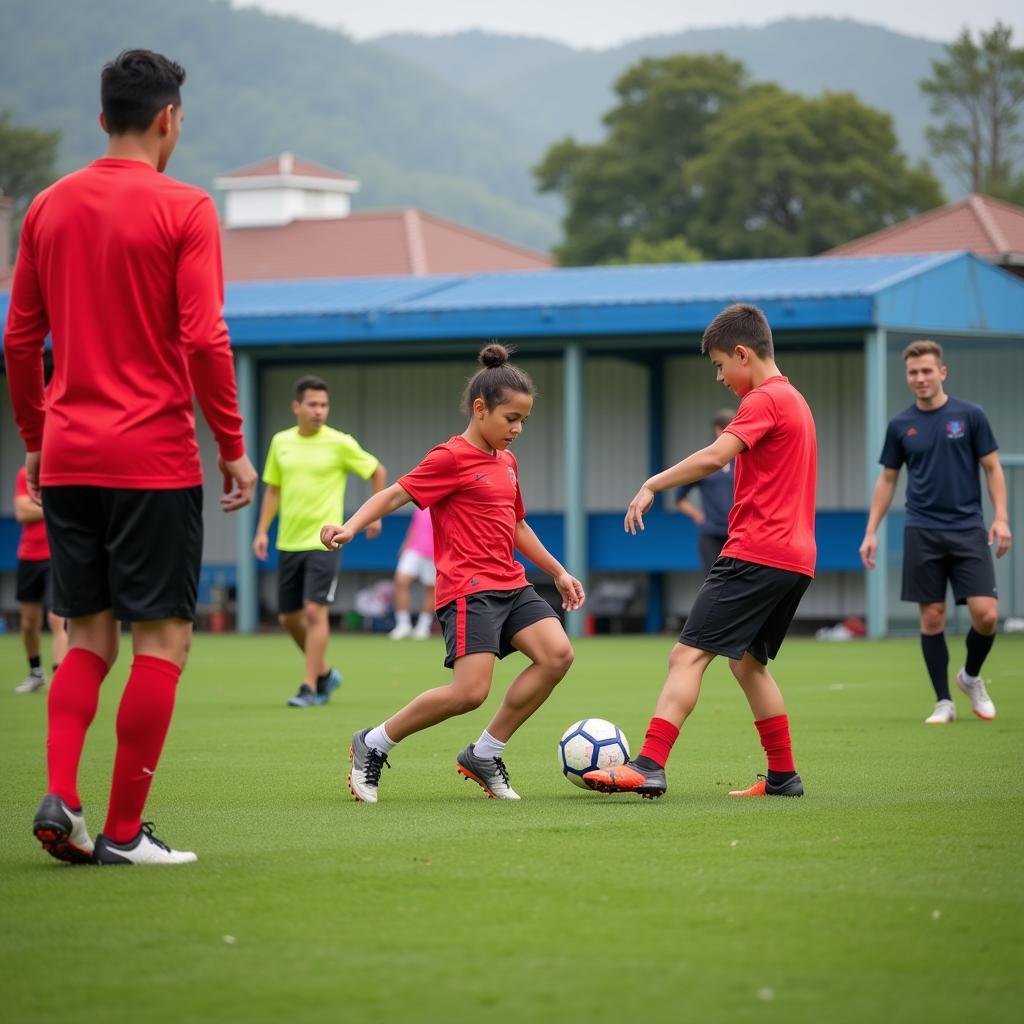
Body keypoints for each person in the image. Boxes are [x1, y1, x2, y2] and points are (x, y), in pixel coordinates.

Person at [3, 49, 257, 866]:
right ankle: (119, 833)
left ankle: (62, 796)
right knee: (163, 644)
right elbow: (204, 336)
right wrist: (234, 449)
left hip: (69, 459)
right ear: (169, 119)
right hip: (152, 459)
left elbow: (18, 338)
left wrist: (37, 443)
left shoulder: (46, 206)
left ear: (102, 115)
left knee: (87, 641)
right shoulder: (186, 208)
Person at [320, 343, 585, 803]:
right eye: (510, 419)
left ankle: (485, 752)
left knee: (557, 655)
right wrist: (350, 526)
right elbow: (394, 495)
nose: (518, 429)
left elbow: (517, 524)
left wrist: (558, 572)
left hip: (512, 583)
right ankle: (374, 742)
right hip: (469, 590)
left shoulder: (507, 462)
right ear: (480, 410)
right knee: (469, 693)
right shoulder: (450, 457)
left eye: (524, 420)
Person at [584, 304, 816, 800]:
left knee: (686, 656)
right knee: (748, 663)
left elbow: (715, 457)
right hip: (796, 559)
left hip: (757, 552)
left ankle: (648, 764)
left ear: (741, 353)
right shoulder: (795, 398)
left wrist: (652, 483)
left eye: (718, 365)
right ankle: (783, 776)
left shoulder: (763, 398)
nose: (719, 377)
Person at [859, 340, 1011, 724]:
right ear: (907, 377)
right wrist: (871, 530)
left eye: (927, 370)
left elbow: (992, 468)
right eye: (913, 372)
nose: (920, 378)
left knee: (987, 615)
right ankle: (943, 701)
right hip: (922, 529)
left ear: (942, 372)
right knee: (932, 618)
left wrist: (1002, 517)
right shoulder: (900, 425)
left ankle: (970, 677)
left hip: (967, 528)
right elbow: (888, 479)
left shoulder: (970, 415)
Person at [253, 375, 387, 707]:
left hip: (325, 541)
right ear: (297, 407)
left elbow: (377, 471)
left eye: (324, 405)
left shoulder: (339, 443)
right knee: (288, 618)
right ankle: (325, 672)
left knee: (315, 611)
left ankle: (309, 687)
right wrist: (260, 531)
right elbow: (273, 490)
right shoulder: (280, 442)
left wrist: (374, 516)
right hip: (288, 541)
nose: (319, 411)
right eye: (312, 404)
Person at [12, 466, 68, 693]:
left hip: (58, 556)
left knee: (56, 618)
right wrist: (55, 507)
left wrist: (38, 505)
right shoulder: (26, 474)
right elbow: (22, 512)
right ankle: (36, 672)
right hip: (28, 557)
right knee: (28, 624)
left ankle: (61, 678)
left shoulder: (64, 473)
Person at [675, 408, 736, 576]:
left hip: (736, 535)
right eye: (727, 429)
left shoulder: (742, 462)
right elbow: (679, 498)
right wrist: (697, 515)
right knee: (713, 579)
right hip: (711, 534)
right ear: (718, 430)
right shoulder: (707, 463)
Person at [389, 505, 436, 639]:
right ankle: (403, 624)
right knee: (400, 581)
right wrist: (406, 544)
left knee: (431, 589)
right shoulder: (421, 503)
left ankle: (423, 626)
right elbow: (414, 526)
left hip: (435, 552)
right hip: (414, 549)